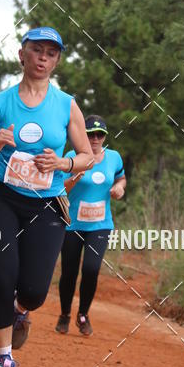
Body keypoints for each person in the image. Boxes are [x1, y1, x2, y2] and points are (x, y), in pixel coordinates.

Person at [0, 26, 93, 367]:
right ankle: (4, 359)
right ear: (22, 54)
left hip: (46, 203)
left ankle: (21, 310)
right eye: (37, 50)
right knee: (2, 277)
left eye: (51, 53)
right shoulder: (0, 102)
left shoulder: (67, 105)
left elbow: (86, 156)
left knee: (35, 291)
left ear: (57, 61)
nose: (43, 58)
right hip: (0, 197)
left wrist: (63, 163)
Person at [56, 115, 126, 336]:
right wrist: (74, 178)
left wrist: (119, 188)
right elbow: (59, 189)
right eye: (90, 134)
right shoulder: (71, 157)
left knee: (91, 269)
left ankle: (83, 314)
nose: (95, 139)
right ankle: (65, 314)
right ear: (82, 135)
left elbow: (121, 178)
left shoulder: (114, 157)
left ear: (104, 136)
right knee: (69, 272)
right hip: (72, 225)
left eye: (100, 135)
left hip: (100, 225)